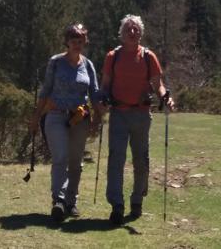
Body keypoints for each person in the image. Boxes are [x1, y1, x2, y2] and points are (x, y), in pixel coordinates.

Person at [101, 14, 174, 224]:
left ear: (140, 33)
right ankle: (117, 205)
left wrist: (165, 98)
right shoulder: (112, 57)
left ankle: (136, 201)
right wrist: (102, 99)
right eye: (128, 29)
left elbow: (158, 84)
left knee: (141, 160)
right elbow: (105, 85)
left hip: (141, 114)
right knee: (116, 159)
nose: (132, 32)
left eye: (136, 29)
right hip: (118, 114)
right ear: (122, 34)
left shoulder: (148, 57)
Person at [30, 23, 105, 222]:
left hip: (79, 118)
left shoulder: (88, 65)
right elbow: (45, 90)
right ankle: (59, 200)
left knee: (75, 162)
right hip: (55, 115)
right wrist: (36, 116)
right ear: (67, 42)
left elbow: (94, 93)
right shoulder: (55, 62)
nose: (77, 44)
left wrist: (99, 115)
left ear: (85, 42)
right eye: (74, 41)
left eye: (80, 41)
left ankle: (71, 202)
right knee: (60, 157)